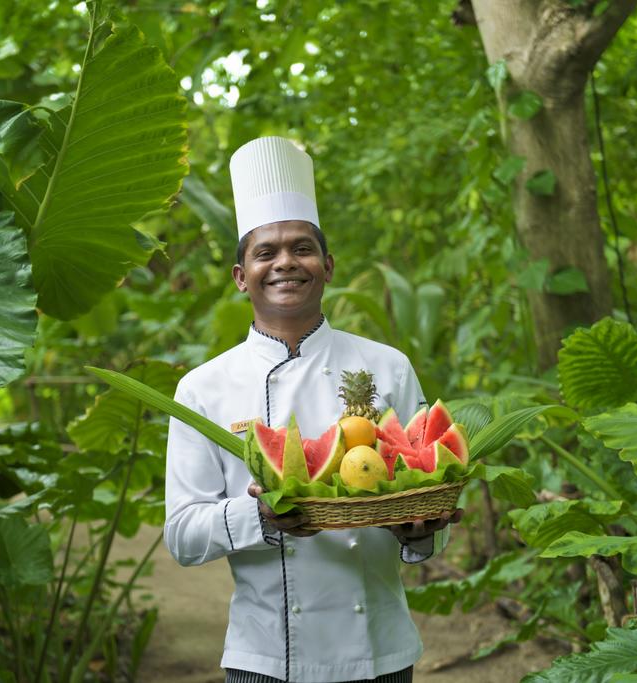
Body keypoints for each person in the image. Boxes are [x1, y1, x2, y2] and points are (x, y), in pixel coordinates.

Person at [164, 136, 463, 683]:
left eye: (301, 248)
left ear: (326, 266)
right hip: (264, 655)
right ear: (240, 277)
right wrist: (259, 515)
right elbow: (182, 534)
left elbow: (427, 504)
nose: (285, 263)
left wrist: (422, 528)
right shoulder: (202, 388)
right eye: (265, 252)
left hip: (379, 649)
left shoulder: (388, 367)